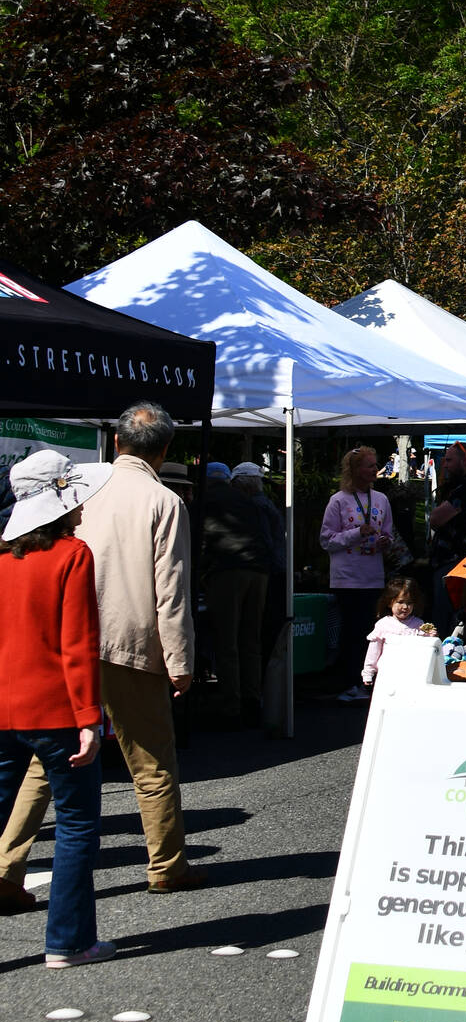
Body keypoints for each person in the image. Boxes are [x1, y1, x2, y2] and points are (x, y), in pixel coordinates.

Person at [0, 404, 204, 896]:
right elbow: (170, 589)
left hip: (69, 641)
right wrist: (180, 661)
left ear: (116, 442)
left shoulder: (81, 487)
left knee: (46, 765)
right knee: (152, 762)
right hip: (131, 642)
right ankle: (166, 865)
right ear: (165, 449)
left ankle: (6, 868)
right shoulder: (164, 500)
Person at [0, 451, 115, 963]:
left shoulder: (3, 558)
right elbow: (78, 644)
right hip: (56, 711)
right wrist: (90, 717)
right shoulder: (73, 554)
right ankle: (68, 941)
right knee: (75, 823)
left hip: (3, 706)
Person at [202, 457, 274, 727]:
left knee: (227, 640)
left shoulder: (206, 499)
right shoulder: (249, 500)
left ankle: (231, 706)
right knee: (250, 638)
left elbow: (202, 540)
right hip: (259, 570)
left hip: (229, 570)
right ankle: (252, 700)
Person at [322, 444, 393, 703]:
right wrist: (356, 533)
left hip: (373, 575)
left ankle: (365, 681)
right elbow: (326, 540)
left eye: (376, 464)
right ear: (355, 470)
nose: (375, 469)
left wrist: (385, 541)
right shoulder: (338, 500)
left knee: (368, 631)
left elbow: (388, 532)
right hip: (346, 577)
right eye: (370, 465)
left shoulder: (382, 499)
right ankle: (346, 681)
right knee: (349, 631)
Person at [426, 442, 466, 638]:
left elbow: (435, 519)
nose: (444, 465)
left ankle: (444, 662)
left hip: (453, 561)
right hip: (456, 560)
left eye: (449, 460)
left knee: (445, 619)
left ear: (465, 460)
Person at [360, 576, 433, 691]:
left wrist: (431, 637)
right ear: (390, 602)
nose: (405, 607)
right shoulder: (383, 624)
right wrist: (368, 673)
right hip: (387, 673)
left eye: (409, 603)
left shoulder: (419, 624)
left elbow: (427, 649)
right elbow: (374, 651)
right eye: (400, 602)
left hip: (412, 673)